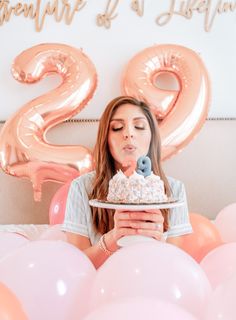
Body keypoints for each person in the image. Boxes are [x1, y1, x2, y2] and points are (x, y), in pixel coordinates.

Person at [62, 96, 192, 268]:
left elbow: (176, 267)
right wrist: (112, 239)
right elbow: (76, 266)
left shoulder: (173, 190)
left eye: (139, 126)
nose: (129, 133)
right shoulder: (82, 188)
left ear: (152, 136)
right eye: (117, 128)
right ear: (105, 139)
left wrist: (158, 242)